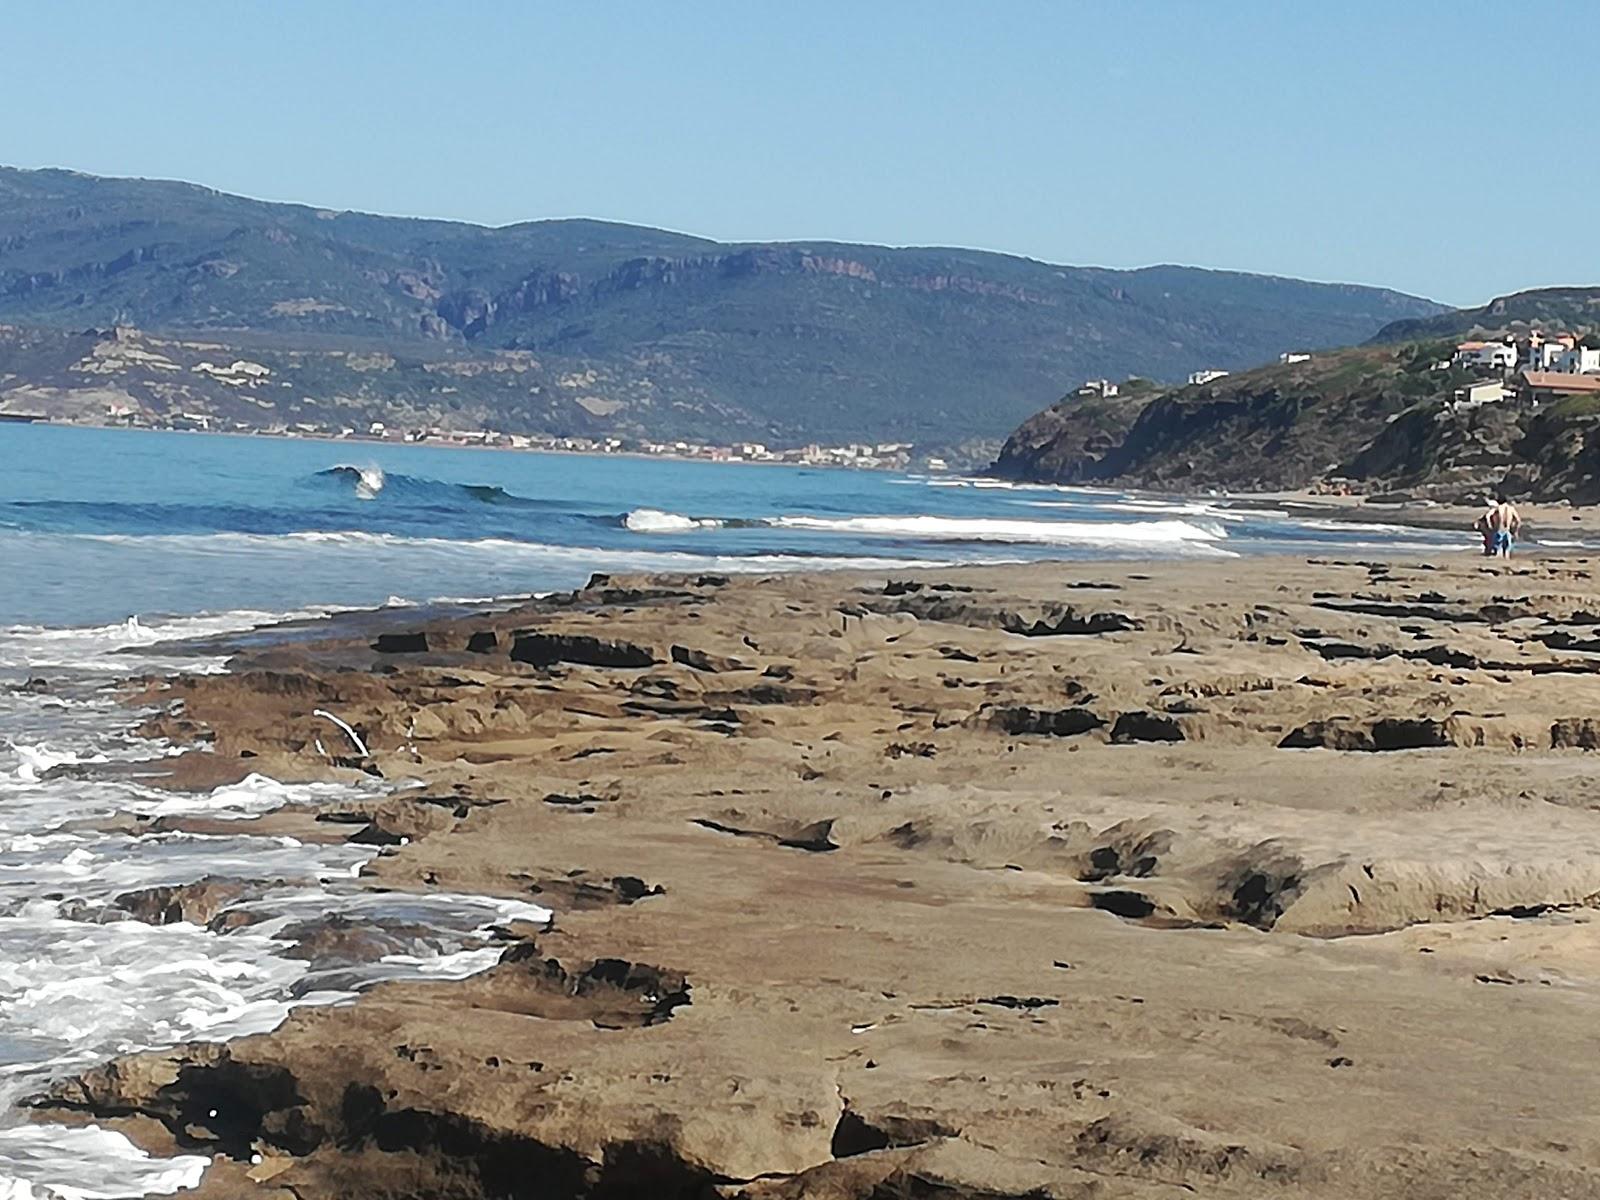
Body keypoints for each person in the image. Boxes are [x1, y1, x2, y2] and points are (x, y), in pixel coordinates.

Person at [1487, 494, 1521, 559]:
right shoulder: (1511, 509)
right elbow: (1518, 520)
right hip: (1507, 530)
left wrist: (1490, 525)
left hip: (1499, 529)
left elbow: (1488, 516)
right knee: (1507, 549)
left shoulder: (1498, 508)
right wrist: (1516, 530)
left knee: (1497, 549)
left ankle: (1499, 561)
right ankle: (1506, 560)